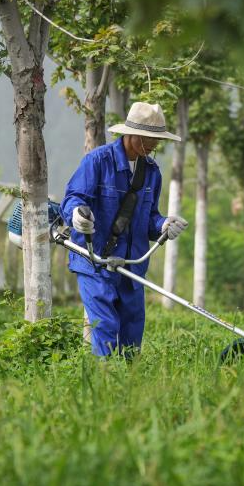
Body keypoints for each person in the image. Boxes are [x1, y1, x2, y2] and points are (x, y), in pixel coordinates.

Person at [60, 102, 188, 357]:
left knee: (132, 331)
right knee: (105, 326)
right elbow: (74, 198)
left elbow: (149, 217)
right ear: (132, 134)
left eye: (157, 139)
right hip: (95, 260)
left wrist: (163, 224)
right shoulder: (98, 161)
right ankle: (105, 384)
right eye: (150, 138)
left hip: (131, 264)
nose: (154, 145)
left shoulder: (151, 172)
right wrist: (76, 215)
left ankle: (127, 387)